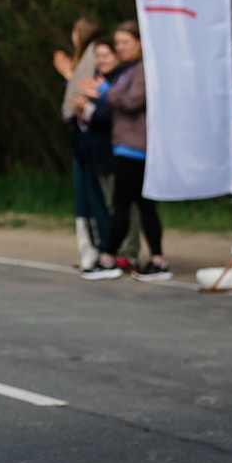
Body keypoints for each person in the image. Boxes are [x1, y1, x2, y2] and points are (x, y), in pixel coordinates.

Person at [84, 22, 170, 280]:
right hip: (127, 145)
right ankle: (156, 259)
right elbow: (118, 101)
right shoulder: (128, 70)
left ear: (140, 43)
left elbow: (132, 101)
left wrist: (103, 91)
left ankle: (109, 257)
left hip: (136, 147)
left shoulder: (143, 70)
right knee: (143, 205)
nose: (120, 47)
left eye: (125, 42)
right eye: (118, 43)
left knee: (123, 204)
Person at [53, 17, 106, 269]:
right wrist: (69, 76)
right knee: (84, 197)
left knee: (94, 196)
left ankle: (99, 250)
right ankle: (89, 249)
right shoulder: (86, 60)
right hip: (81, 139)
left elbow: (83, 93)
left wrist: (69, 77)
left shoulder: (94, 56)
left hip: (91, 139)